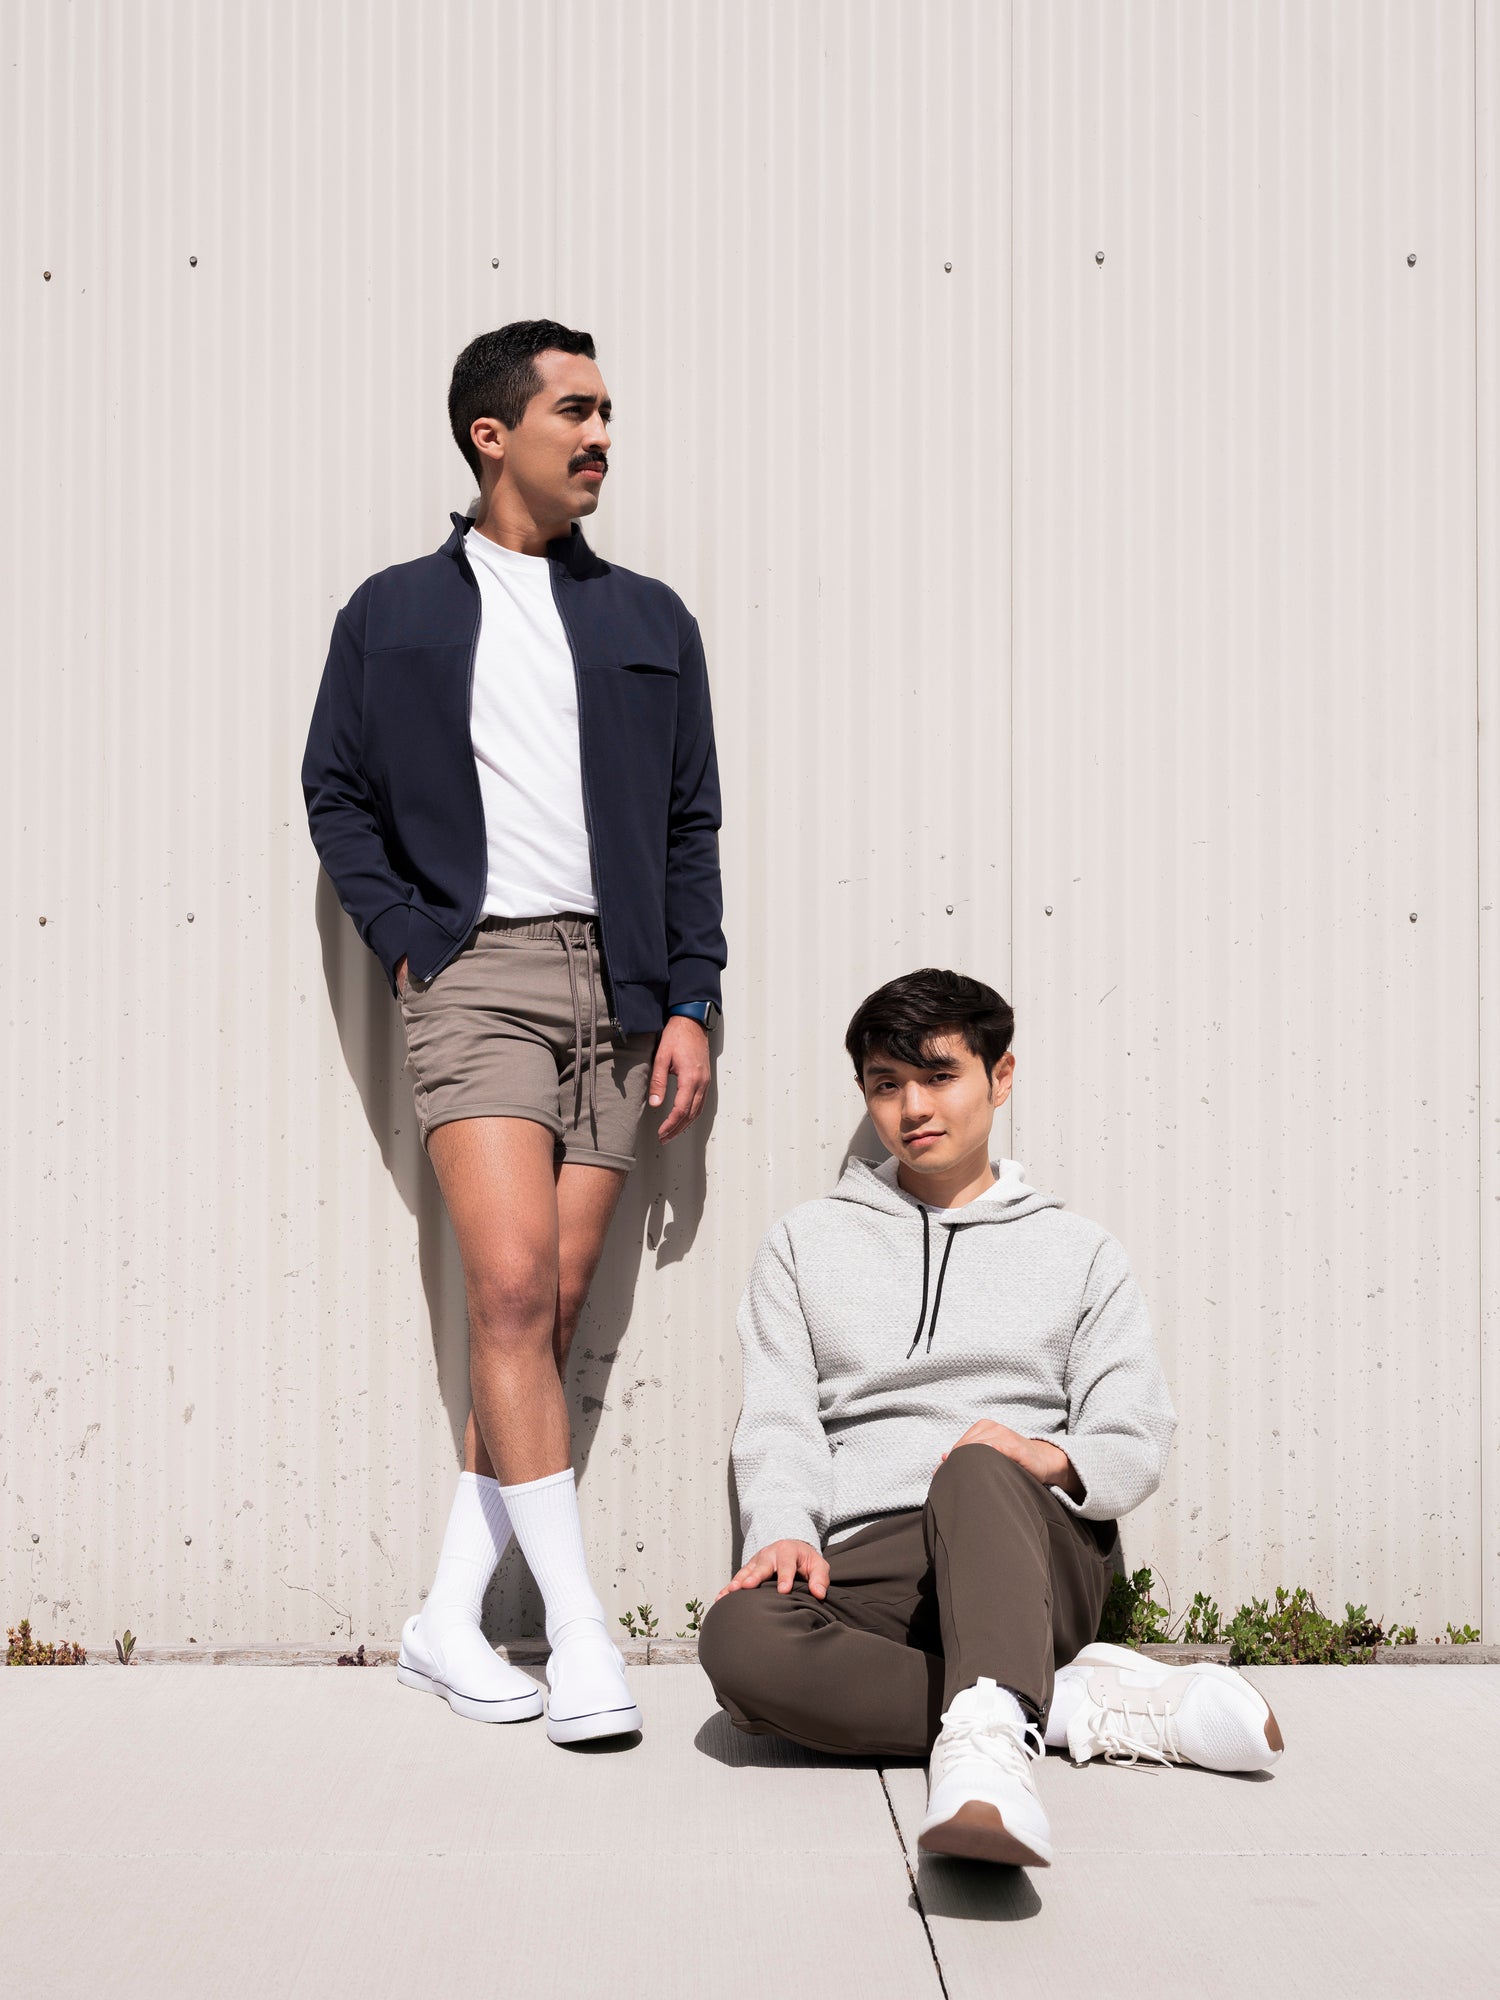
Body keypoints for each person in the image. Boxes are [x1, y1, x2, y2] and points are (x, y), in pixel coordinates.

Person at [303, 320, 725, 1744]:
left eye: (609, 412)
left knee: (542, 1310)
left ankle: (441, 1622)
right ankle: (581, 1638)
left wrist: (690, 1001)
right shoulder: (393, 612)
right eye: (575, 412)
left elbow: (687, 825)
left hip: (621, 995)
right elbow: (337, 795)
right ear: (493, 435)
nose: (602, 434)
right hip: (475, 976)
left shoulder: (650, 620)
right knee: (501, 1295)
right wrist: (412, 943)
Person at [699, 969, 1282, 1868]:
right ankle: (1062, 1707)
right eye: (886, 1085)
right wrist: (781, 1530)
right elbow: (779, 1418)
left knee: (971, 1466)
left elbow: (1135, 1431)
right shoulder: (804, 1243)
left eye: (938, 1076)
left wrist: (1038, 1457)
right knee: (737, 1642)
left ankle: (988, 1767)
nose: (912, 1107)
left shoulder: (1080, 1252)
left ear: (999, 1078)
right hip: (880, 1566)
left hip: (1033, 1547)